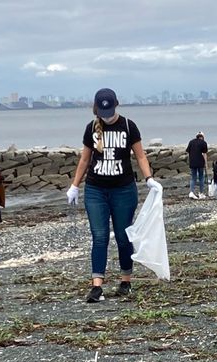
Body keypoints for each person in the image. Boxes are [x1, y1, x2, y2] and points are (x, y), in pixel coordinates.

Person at [66, 88, 162, 303]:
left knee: (122, 236)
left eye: (109, 111)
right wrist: (74, 186)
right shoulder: (91, 128)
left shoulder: (128, 126)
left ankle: (126, 280)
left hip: (123, 190)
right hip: (95, 190)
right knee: (99, 236)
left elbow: (140, 156)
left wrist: (149, 179)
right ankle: (96, 286)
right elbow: (84, 160)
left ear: (116, 105)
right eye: (102, 112)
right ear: (96, 109)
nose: (106, 116)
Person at [186, 131, 208, 199]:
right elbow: (204, 154)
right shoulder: (203, 143)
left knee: (193, 178)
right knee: (201, 177)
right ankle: (201, 193)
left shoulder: (191, 142)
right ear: (202, 137)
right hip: (200, 162)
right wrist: (206, 164)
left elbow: (188, 151)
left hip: (192, 162)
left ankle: (191, 192)